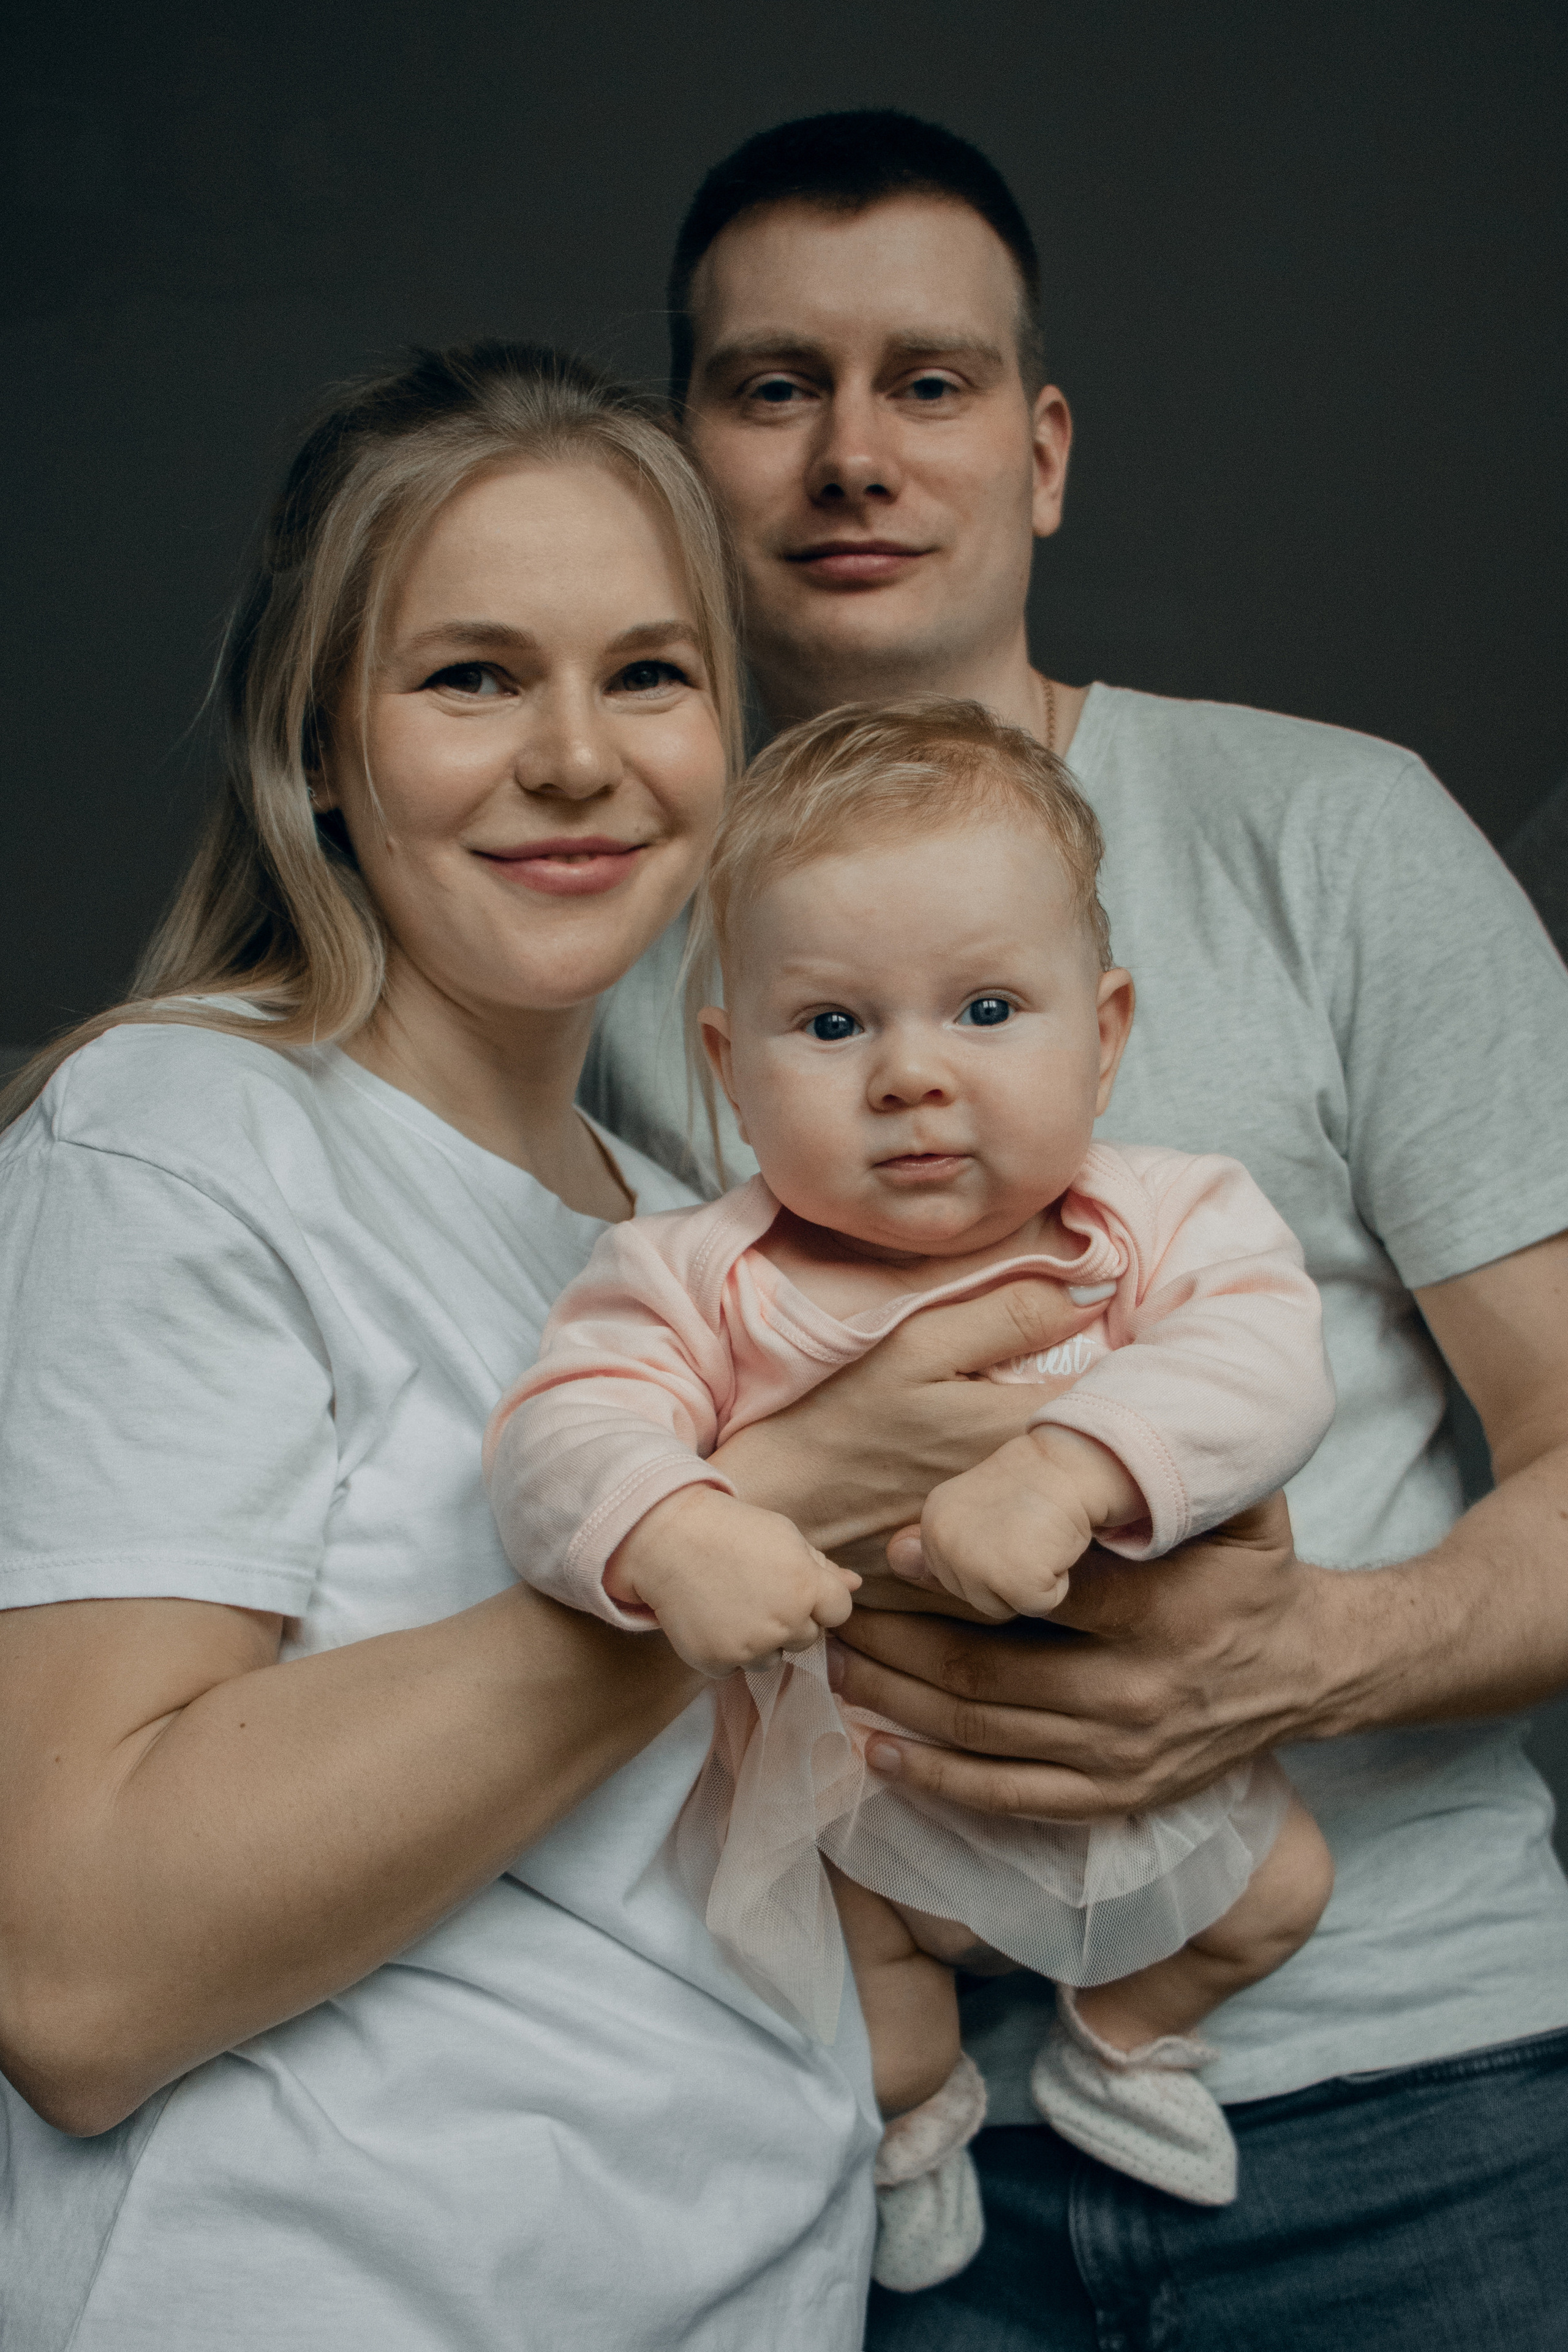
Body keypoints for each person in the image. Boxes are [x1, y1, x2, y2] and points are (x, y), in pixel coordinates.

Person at [0, 341, 1109, 2351]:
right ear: (316, 744)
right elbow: (73, 1974)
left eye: (651, 674)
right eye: (472, 677)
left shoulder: (690, 1218)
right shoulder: (183, 1136)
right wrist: (764, 1504)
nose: (580, 759)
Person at [579, 111, 1568, 2346]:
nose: (853, 455)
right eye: (773, 388)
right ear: (684, 467)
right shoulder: (606, 957)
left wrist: (1297, 1660)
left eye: (926, 384)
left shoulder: (1329, 834)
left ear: (1038, 455)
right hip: (841, 2129)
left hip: (1404, 2097)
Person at [492, 696, 1337, 2291]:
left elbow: (1267, 1361)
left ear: (1108, 1033)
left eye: (988, 1009)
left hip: (1150, 1780)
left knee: (1281, 1893)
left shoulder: (1165, 1222)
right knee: (869, 2017)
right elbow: (559, 1431)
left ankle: (1121, 2041)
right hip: (860, 1800)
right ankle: (924, 2111)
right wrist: (676, 1528)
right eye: (832, 1026)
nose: (910, 1077)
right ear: (730, 1069)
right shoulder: (699, 1274)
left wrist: (1074, 1464)